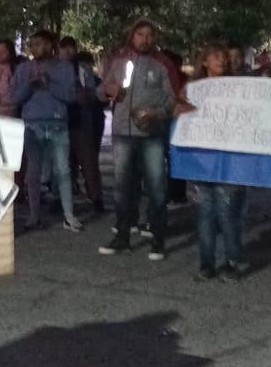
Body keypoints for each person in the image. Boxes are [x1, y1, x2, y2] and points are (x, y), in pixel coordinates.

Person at [98, 19, 183, 261]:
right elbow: (100, 91)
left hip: (151, 135)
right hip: (122, 134)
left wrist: (158, 113)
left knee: (157, 188)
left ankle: (158, 240)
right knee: (122, 188)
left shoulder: (163, 64)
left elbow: (173, 98)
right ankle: (122, 236)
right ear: (132, 36)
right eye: (140, 34)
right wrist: (107, 90)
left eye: (149, 35)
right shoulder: (119, 61)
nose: (145, 39)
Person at [179, 43, 249, 281]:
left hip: (229, 161)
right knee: (205, 214)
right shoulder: (191, 89)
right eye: (216, 56)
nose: (223, 60)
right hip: (200, 161)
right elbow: (179, 117)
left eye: (225, 57)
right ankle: (206, 263)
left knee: (228, 213)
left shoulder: (239, 88)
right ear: (205, 61)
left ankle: (233, 261)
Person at [12, 30, 81, 232]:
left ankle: (69, 215)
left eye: (40, 43)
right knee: (33, 171)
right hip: (32, 124)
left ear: (51, 45)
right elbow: (14, 97)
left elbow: (70, 96)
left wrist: (49, 84)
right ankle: (34, 216)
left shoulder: (64, 67)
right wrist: (30, 86)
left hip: (57, 124)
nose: (36, 48)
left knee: (63, 170)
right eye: (32, 44)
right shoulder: (24, 68)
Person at [61, 39, 106, 213]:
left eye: (71, 48)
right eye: (64, 48)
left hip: (81, 120)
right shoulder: (56, 68)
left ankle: (95, 197)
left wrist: (85, 95)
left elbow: (93, 91)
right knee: (65, 164)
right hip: (62, 121)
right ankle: (65, 198)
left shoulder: (83, 69)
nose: (68, 52)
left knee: (88, 162)